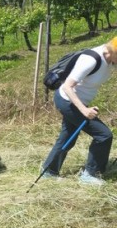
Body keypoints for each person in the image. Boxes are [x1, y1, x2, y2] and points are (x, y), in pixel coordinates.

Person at [42, 37, 117, 185]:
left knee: (67, 136)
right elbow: (67, 87)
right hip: (68, 101)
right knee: (103, 135)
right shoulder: (91, 59)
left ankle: (49, 171)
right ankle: (90, 174)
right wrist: (84, 110)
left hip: (80, 102)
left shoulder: (111, 60)